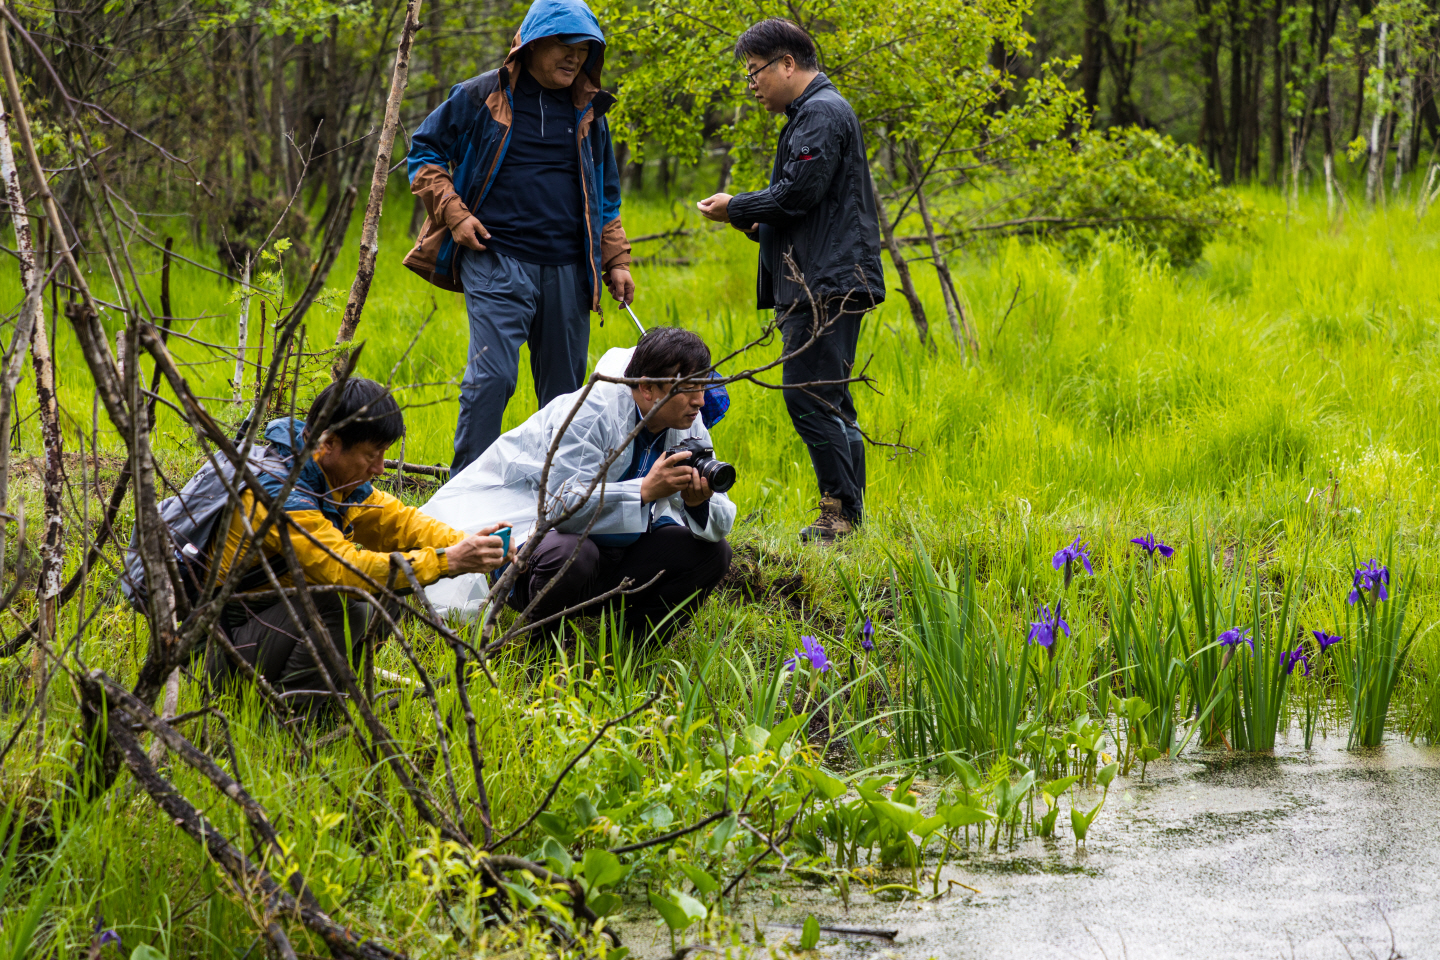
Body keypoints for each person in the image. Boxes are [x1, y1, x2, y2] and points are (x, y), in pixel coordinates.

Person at [404, 0, 636, 475]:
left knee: (566, 393)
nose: (574, 58)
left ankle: (557, 497)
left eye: (584, 49)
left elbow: (606, 192)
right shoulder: (481, 95)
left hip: (570, 267)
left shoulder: (589, 109)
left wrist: (616, 259)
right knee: (491, 379)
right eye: (562, 45)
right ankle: (465, 490)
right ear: (530, 45)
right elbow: (425, 153)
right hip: (495, 257)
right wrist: (455, 213)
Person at [199, 379, 512, 707]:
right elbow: (342, 570)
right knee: (340, 602)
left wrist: (469, 542)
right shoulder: (278, 495)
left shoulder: (330, 479)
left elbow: (398, 522)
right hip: (224, 644)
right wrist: (449, 561)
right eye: (371, 455)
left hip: (266, 626)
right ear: (330, 443)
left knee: (389, 590)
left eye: (383, 455)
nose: (379, 468)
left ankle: (333, 695)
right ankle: (293, 717)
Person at [696, 18, 884, 544]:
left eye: (756, 72)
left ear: (787, 64)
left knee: (809, 397)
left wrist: (737, 207)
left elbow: (797, 193)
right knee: (830, 400)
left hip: (824, 286)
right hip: (826, 277)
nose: (752, 84)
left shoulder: (820, 113)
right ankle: (849, 518)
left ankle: (839, 516)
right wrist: (761, 224)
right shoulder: (815, 113)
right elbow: (811, 208)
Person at [423, 327, 734, 640]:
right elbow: (561, 507)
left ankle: (634, 649)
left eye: (704, 386)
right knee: (572, 552)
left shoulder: (688, 422)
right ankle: (541, 644)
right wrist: (644, 491)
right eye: (689, 387)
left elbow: (723, 516)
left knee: (713, 553)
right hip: (534, 552)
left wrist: (698, 503)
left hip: (617, 555)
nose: (700, 400)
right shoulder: (592, 413)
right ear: (648, 388)